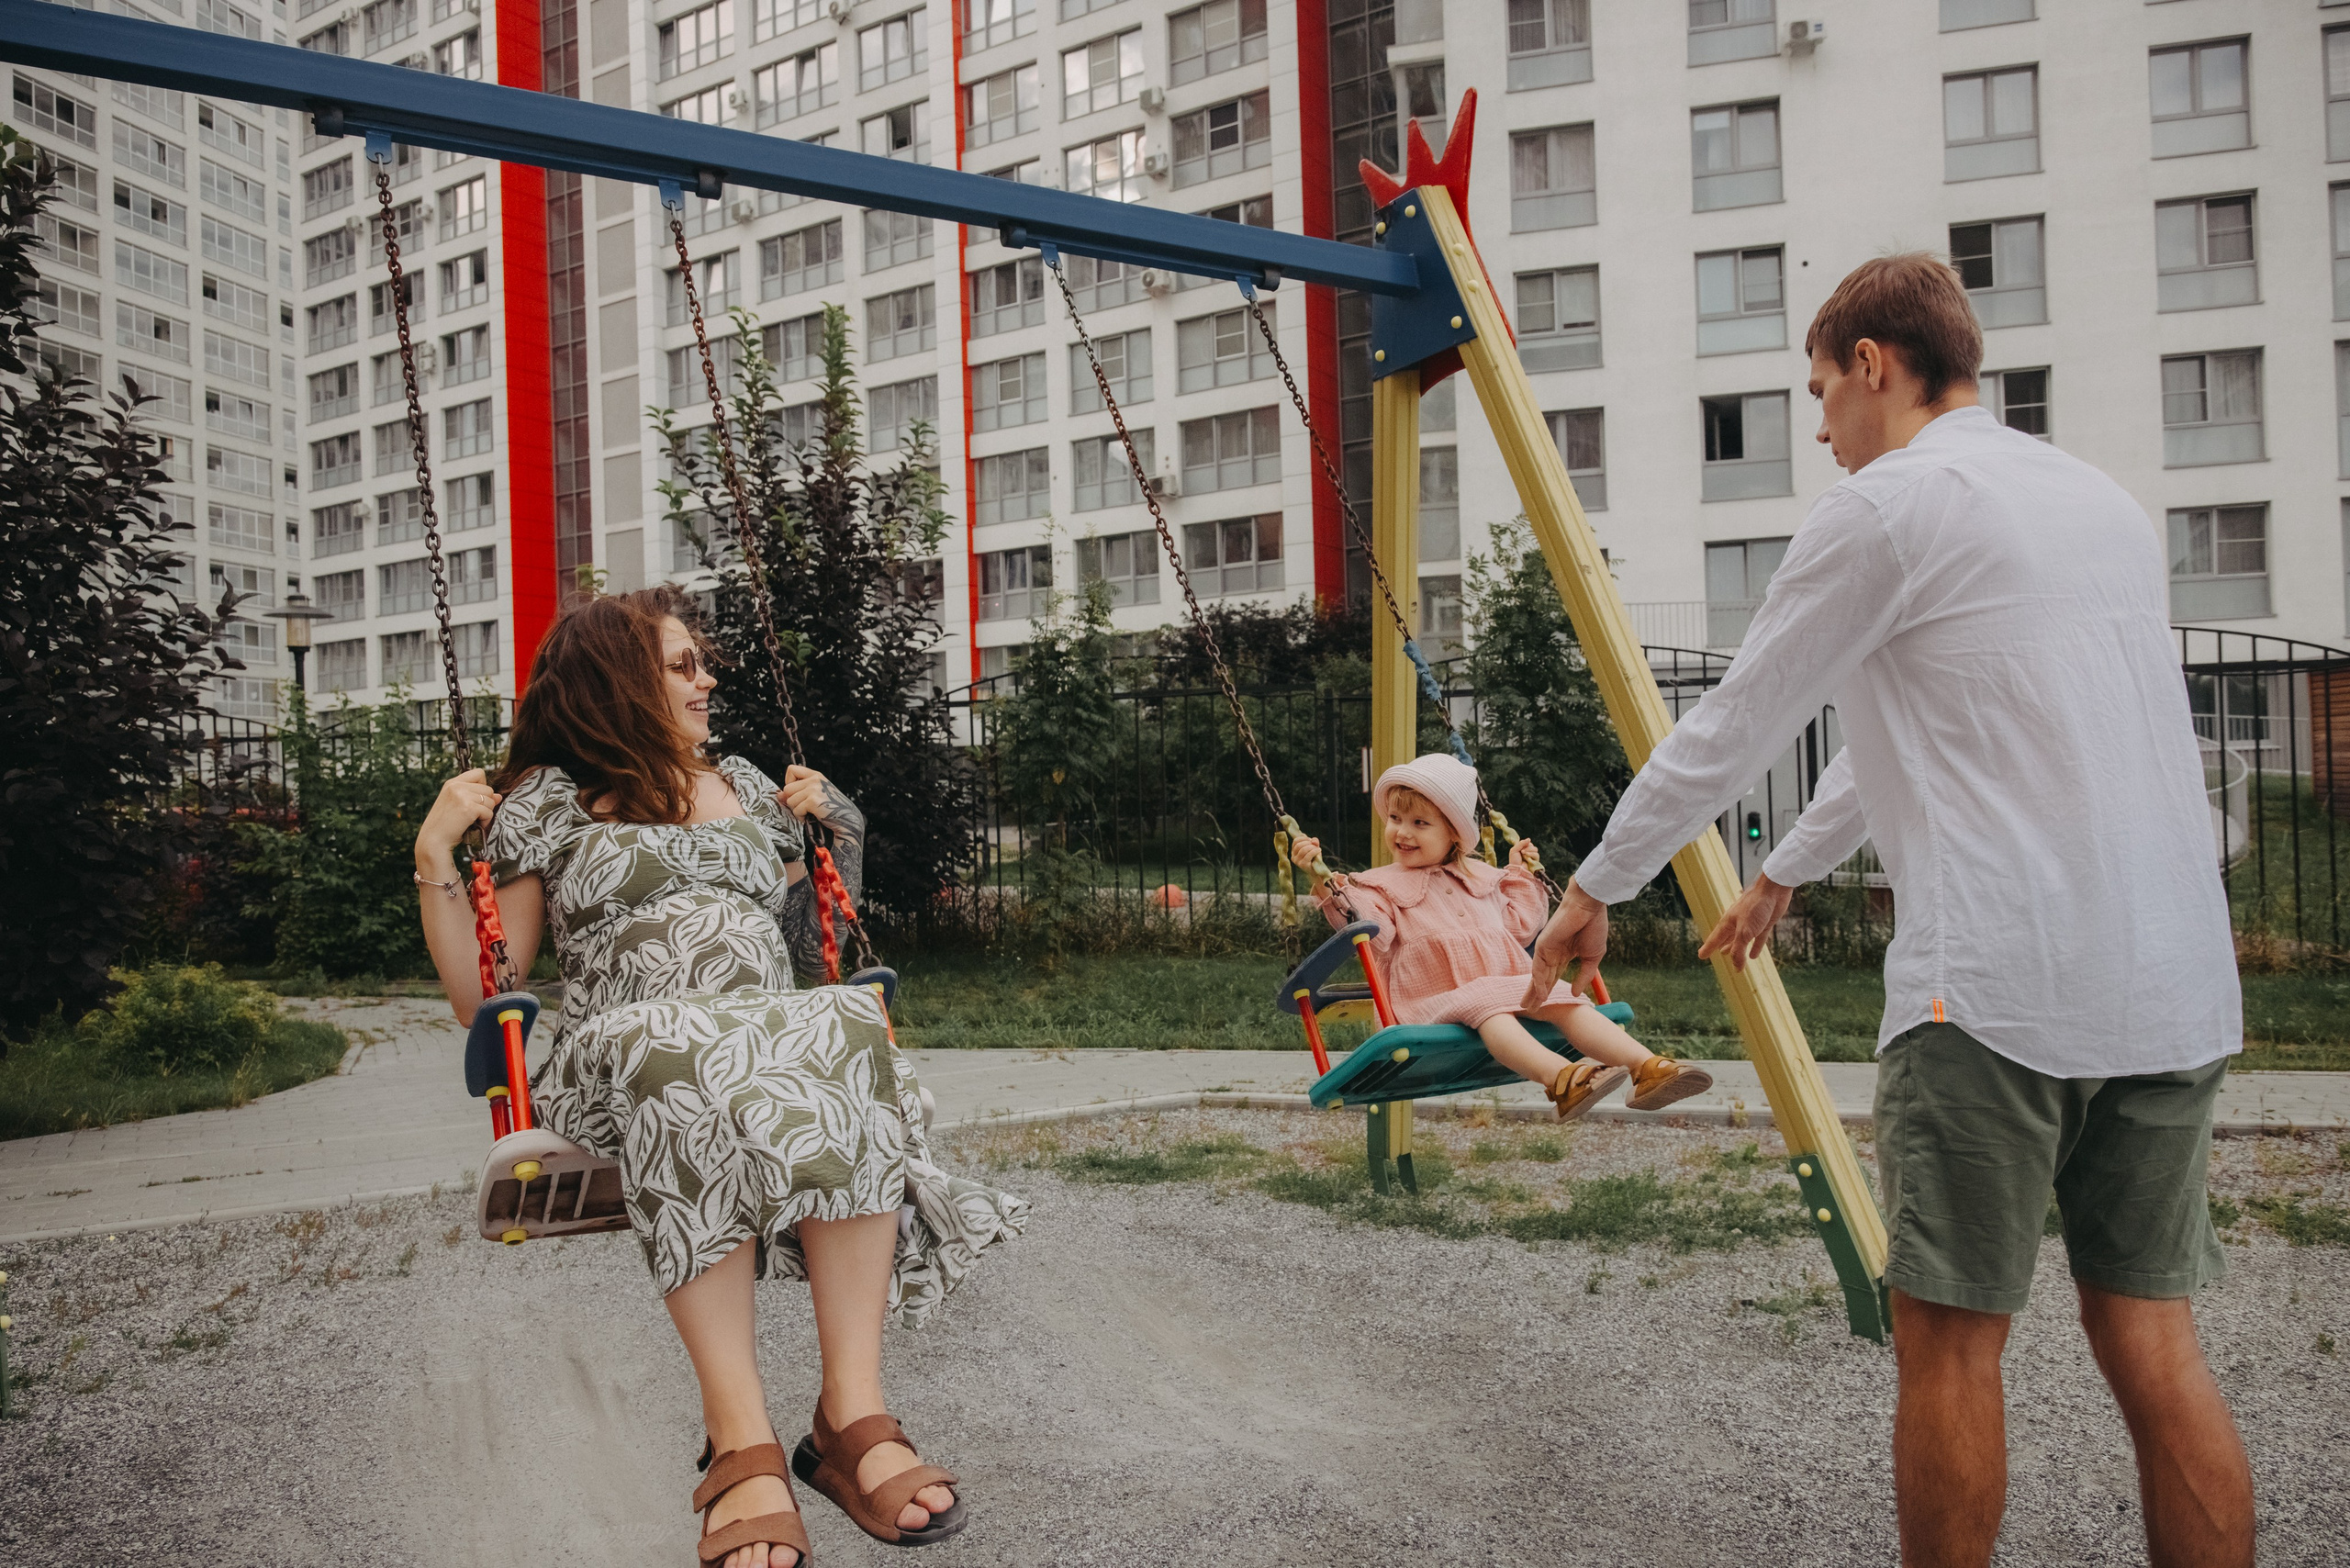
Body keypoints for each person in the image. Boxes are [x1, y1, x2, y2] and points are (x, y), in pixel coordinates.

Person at [1525, 254, 2253, 1567]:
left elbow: (1735, 723)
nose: (1819, 429)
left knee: (1953, 1349)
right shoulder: (2100, 504)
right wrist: (1788, 869)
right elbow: (1913, 733)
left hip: (1995, 996)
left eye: (1819, 391)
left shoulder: (1885, 507)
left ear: (1875, 364)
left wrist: (1594, 887)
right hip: (2174, 983)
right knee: (2154, 1342)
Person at [414, 585, 1024, 1568]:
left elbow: (814, 925)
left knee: (844, 1018)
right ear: (617, 679)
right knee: (679, 1043)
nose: (708, 678)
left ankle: (847, 1417)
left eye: (706, 661)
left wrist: (835, 828)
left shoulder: (741, 778)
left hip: (756, 1038)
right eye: (682, 663)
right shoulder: (543, 803)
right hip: (622, 1050)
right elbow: (487, 986)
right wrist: (435, 849)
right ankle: (740, 1442)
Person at [1290, 753, 1712, 1118]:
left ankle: (1649, 1068)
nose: (1402, 831)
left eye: (1420, 822)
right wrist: (1325, 882)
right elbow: (1372, 934)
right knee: (1491, 1010)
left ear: (1454, 832)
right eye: (1396, 819)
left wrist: (1520, 874)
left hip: (1504, 980)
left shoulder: (1483, 877)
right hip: (1436, 994)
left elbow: (1523, 926)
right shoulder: (1378, 884)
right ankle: (1563, 1081)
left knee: (1564, 1000)